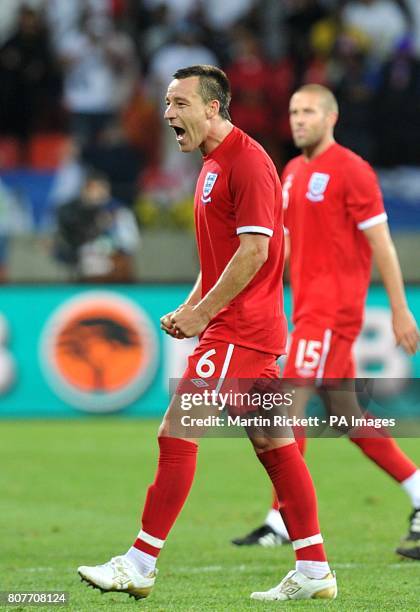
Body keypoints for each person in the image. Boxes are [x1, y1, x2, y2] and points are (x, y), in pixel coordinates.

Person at [77, 66, 338, 602]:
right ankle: (315, 570)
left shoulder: (248, 162)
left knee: (176, 432)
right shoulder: (213, 164)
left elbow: (256, 250)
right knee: (275, 444)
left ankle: (140, 562)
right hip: (244, 327)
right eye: (167, 103)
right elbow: (223, 255)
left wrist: (205, 317)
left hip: (239, 330)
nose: (169, 113)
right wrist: (191, 305)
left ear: (212, 107)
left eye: (179, 103)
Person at [232, 84, 420, 562]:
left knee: (284, 408)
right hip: (308, 310)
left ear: (330, 117)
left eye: (309, 111)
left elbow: (382, 244)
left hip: (332, 314)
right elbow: (291, 246)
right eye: (294, 111)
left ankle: (281, 519)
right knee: (348, 418)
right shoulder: (293, 171)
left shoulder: (353, 170)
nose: (298, 119)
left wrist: (399, 308)